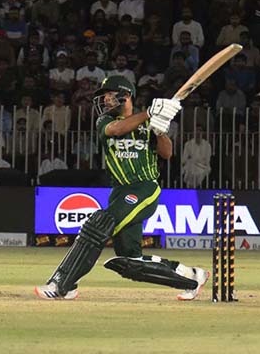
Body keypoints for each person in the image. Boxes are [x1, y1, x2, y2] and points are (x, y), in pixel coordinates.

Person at [34, 76, 207, 300]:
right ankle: (191, 276)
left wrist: (160, 131)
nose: (104, 99)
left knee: (99, 223)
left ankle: (63, 284)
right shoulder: (104, 121)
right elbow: (117, 130)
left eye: (108, 94)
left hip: (144, 188)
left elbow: (167, 153)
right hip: (119, 192)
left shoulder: (148, 122)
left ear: (124, 95)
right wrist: (149, 114)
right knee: (129, 261)